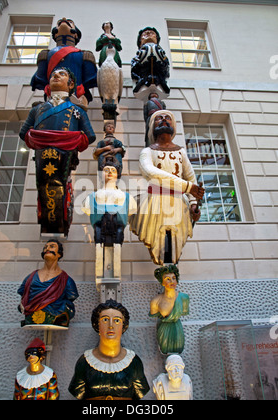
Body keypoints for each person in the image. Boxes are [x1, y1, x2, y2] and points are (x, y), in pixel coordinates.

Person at [20, 67, 96, 235]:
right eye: (54, 74)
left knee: (59, 187)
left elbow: (90, 135)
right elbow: (23, 132)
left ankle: (60, 219)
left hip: (65, 155)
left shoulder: (77, 111)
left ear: (71, 85)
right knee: (44, 188)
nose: (55, 75)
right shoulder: (37, 110)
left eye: (62, 74)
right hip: (42, 154)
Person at [129, 110, 205, 265]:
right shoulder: (147, 152)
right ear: (152, 126)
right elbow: (151, 173)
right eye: (158, 118)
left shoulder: (181, 152)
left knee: (174, 243)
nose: (163, 120)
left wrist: (193, 204)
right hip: (154, 202)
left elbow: (191, 176)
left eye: (167, 118)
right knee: (158, 241)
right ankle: (165, 275)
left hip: (179, 203)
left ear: (173, 125)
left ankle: (170, 278)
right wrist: (187, 186)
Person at [68, 300, 150, 400]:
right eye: (105, 320)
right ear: (97, 324)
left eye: (117, 320)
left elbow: (140, 393)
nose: (111, 325)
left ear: (123, 326)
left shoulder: (133, 362)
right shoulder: (85, 362)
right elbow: (78, 392)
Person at [31, 17, 97, 107]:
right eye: (59, 23)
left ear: (76, 34)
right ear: (55, 33)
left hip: (75, 98)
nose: (64, 19)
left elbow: (90, 79)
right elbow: (41, 78)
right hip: (52, 97)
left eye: (70, 22)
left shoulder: (85, 55)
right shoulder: (45, 54)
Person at [18, 239, 79, 328]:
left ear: (59, 254)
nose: (47, 249)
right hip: (31, 316)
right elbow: (22, 297)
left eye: (52, 246)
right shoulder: (30, 278)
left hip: (55, 318)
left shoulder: (66, 281)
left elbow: (70, 299)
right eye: (45, 247)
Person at [150, 265, 189, 355]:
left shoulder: (184, 298)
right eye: (167, 279)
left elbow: (184, 311)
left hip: (177, 328)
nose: (172, 281)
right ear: (162, 282)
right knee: (165, 350)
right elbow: (154, 314)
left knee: (179, 349)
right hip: (164, 330)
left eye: (174, 278)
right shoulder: (155, 301)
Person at [131, 27, 170, 99]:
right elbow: (134, 68)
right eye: (145, 34)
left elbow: (165, 66)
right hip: (143, 80)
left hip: (159, 80)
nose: (148, 34)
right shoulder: (138, 55)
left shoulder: (160, 52)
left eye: (152, 33)